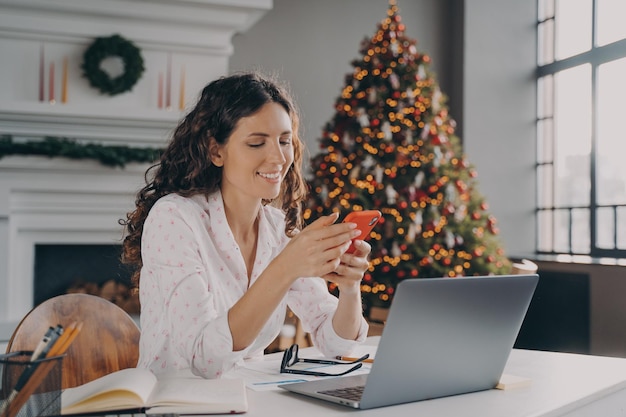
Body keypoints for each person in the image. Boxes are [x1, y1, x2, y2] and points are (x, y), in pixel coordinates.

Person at [121, 72, 370, 379]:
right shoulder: (174, 218)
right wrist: (284, 268)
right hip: (174, 402)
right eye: (256, 143)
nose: (278, 158)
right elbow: (204, 359)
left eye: (284, 141)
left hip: (250, 399)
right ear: (216, 151)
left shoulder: (277, 229)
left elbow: (338, 345)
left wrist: (349, 288)